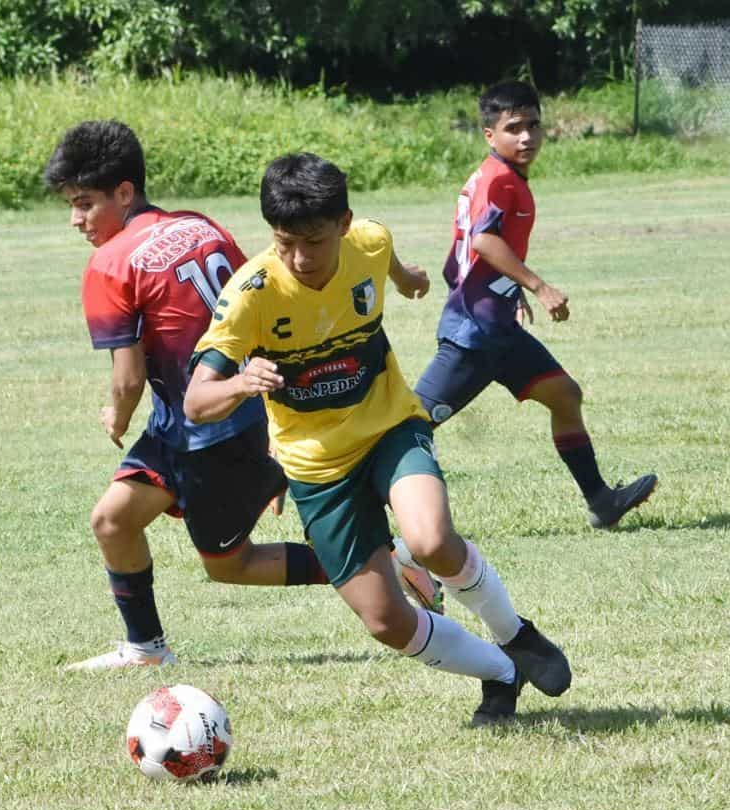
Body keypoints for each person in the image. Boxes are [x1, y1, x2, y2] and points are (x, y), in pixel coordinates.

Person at [185, 152, 570, 725]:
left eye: (312, 242)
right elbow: (196, 398)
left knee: (432, 538)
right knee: (387, 622)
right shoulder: (252, 293)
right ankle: (501, 674)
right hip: (316, 468)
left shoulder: (368, 241)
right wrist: (241, 383)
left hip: (390, 425)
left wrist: (408, 278)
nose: (297, 258)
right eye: (284, 241)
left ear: (343, 225)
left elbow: (385, 262)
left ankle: (516, 634)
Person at [45, 121, 440, 672]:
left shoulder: (110, 265)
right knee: (113, 520)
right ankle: (145, 648)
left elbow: (129, 375)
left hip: (209, 428)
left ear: (125, 192)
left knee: (229, 564)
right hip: (207, 419)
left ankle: (388, 565)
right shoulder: (199, 225)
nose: (76, 219)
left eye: (85, 204)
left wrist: (117, 412)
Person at [413, 80, 657, 529]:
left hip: (497, 329)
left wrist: (510, 288)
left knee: (565, 395)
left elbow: (462, 256)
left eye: (533, 125)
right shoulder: (500, 180)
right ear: (490, 135)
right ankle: (352, 500)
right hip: (475, 335)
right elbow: (483, 241)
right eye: (513, 128)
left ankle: (601, 501)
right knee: (408, 427)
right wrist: (539, 286)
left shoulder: (499, 177)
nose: (526, 137)